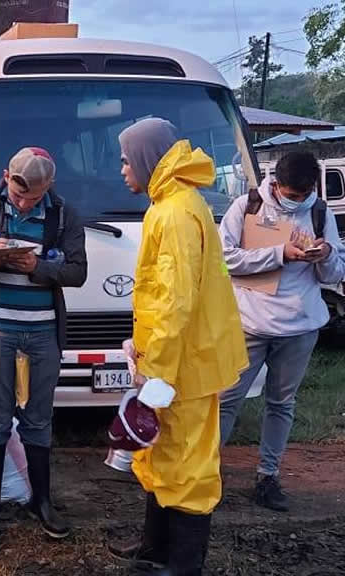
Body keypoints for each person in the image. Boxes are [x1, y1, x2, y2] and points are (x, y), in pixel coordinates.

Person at [117, 118, 248, 575]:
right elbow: (162, 299)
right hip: (175, 363)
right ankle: (155, 552)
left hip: (181, 370)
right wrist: (143, 348)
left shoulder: (173, 212)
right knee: (162, 457)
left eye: (125, 159)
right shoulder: (170, 204)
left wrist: (158, 380)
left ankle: (182, 564)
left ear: (147, 159)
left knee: (188, 469)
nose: (122, 169)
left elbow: (175, 304)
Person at [0, 147, 88, 540]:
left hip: (44, 331)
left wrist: (39, 268)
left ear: (49, 186)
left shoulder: (63, 213)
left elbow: (78, 271)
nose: (23, 202)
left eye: (33, 197)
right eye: (17, 193)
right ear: (5, 175)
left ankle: (41, 500)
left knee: (40, 418)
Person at [218, 152, 345, 511]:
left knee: (281, 403)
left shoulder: (321, 212)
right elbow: (223, 258)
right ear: (275, 184)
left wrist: (324, 256)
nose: (298, 199)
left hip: (300, 326)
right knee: (225, 401)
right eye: (292, 194)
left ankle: (268, 476)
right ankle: (205, 475)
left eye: (304, 193)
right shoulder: (248, 205)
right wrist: (279, 254)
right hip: (249, 323)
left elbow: (338, 272)